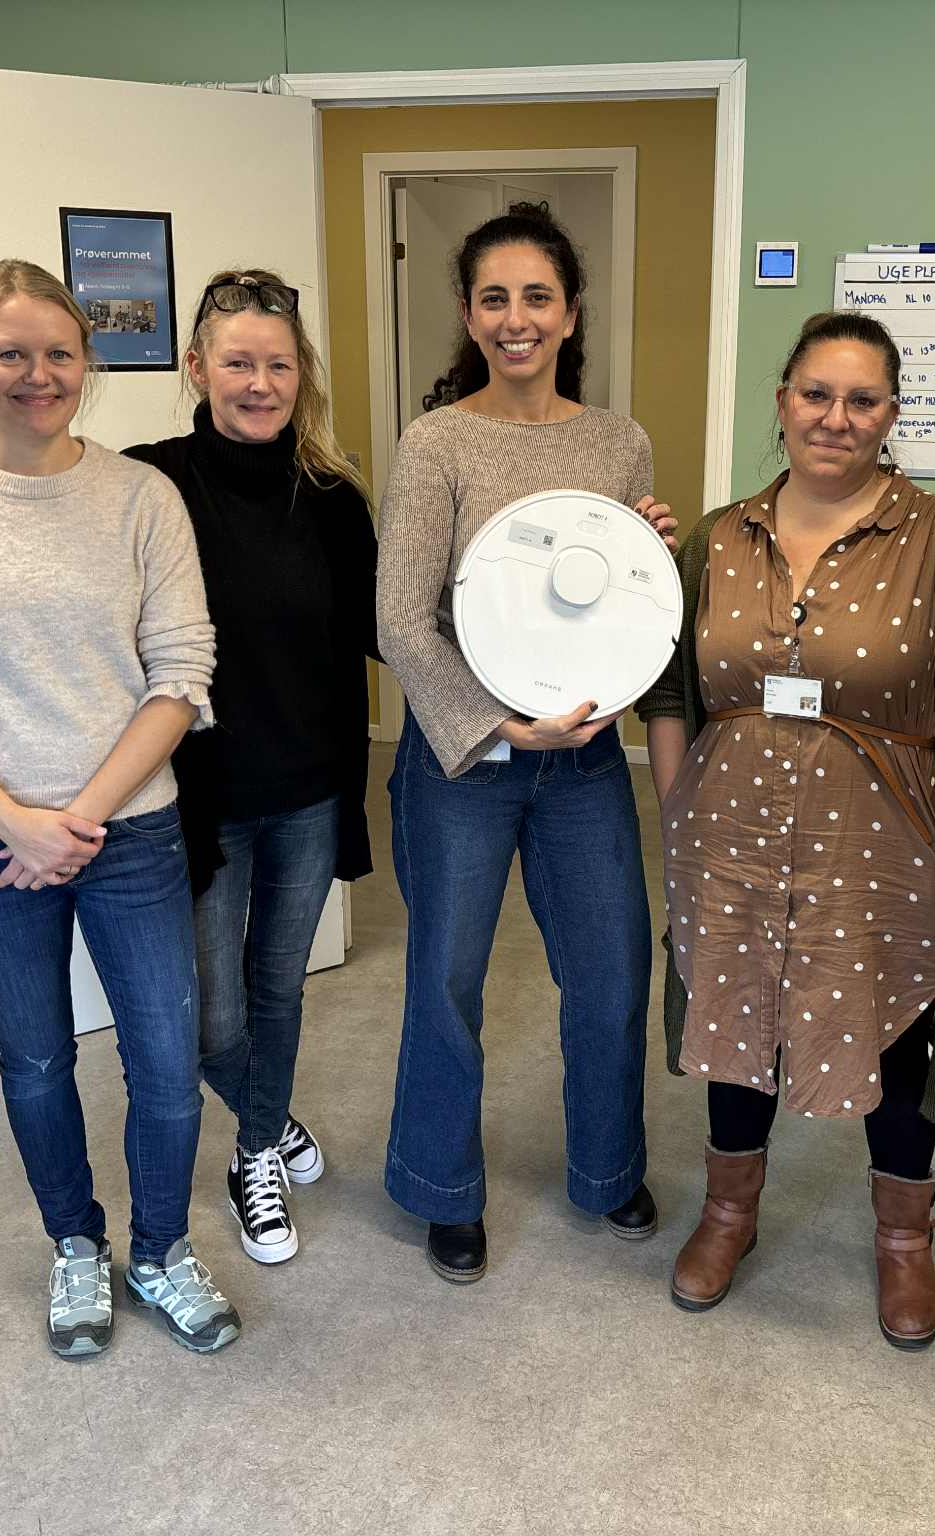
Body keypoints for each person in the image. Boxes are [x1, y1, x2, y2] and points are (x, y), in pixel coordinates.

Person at [0, 258, 238, 1361]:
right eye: (12, 354)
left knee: (165, 1063)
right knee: (33, 1061)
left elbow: (182, 674)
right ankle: (74, 1243)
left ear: (87, 363)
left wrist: (75, 820)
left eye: (59, 354)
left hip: (134, 832)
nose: (38, 375)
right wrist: (16, 822)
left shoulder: (140, 498)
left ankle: (160, 1250)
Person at [639, 311, 935, 1347]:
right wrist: (677, 809)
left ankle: (903, 1239)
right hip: (728, 833)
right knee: (734, 1018)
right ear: (782, 402)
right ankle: (728, 1213)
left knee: (894, 1025)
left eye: (861, 400)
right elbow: (667, 690)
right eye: (816, 394)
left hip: (884, 840)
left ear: (890, 415)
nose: (835, 418)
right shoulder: (718, 539)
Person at [375, 203, 677, 1284]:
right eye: (495, 299)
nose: (517, 319)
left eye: (537, 297)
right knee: (446, 980)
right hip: (465, 759)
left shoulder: (617, 441)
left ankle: (607, 1168)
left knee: (611, 972)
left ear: (570, 312)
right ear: (468, 315)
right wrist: (500, 724)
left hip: (584, 759)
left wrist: (650, 556)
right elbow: (400, 620)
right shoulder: (437, 442)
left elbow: (614, 598)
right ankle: (440, 1186)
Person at [122, 269, 378, 1267]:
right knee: (209, 1014)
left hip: (309, 787)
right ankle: (272, 1118)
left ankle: (252, 1153)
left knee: (278, 986)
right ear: (197, 367)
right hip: (196, 795)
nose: (260, 383)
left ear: (299, 373)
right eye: (238, 362)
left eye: (278, 364)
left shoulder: (333, 500)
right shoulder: (148, 485)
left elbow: (386, 626)